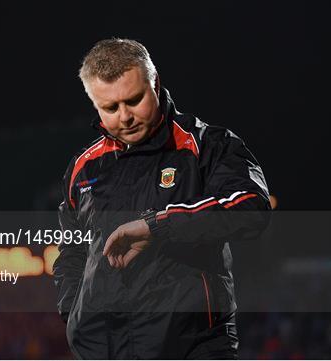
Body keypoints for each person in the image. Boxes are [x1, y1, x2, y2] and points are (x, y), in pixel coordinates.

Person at [53, 38, 271, 359]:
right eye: (110, 108)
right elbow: (72, 252)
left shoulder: (206, 145)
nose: (125, 116)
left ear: (155, 83)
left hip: (193, 347)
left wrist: (157, 226)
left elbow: (251, 206)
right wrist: (75, 317)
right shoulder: (82, 169)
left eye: (134, 100)